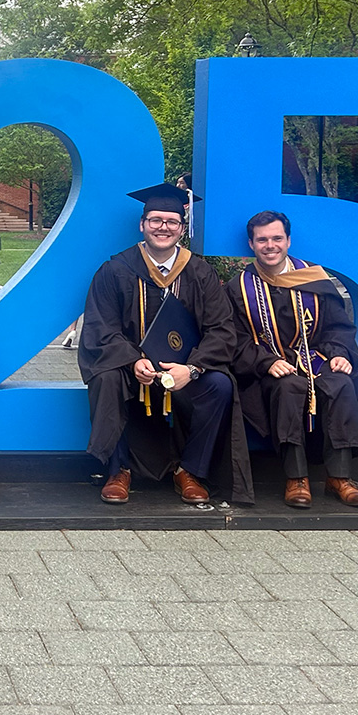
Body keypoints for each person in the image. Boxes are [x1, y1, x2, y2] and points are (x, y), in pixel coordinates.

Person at [80, 183, 253, 506]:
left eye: (171, 222)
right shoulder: (116, 270)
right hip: (133, 370)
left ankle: (189, 471)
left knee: (219, 385)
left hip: (184, 369)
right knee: (105, 377)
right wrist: (132, 360)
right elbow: (100, 327)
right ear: (142, 224)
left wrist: (194, 367)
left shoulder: (199, 273)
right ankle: (118, 470)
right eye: (156, 220)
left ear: (182, 229)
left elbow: (222, 330)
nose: (163, 227)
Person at [227, 211, 358, 509]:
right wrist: (265, 362)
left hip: (317, 360)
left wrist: (340, 354)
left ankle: (339, 478)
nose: (270, 245)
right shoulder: (239, 288)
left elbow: (338, 327)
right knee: (289, 387)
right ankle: (296, 478)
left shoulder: (314, 278)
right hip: (270, 368)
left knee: (340, 384)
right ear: (251, 245)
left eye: (277, 238)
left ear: (288, 241)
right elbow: (234, 339)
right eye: (262, 239)